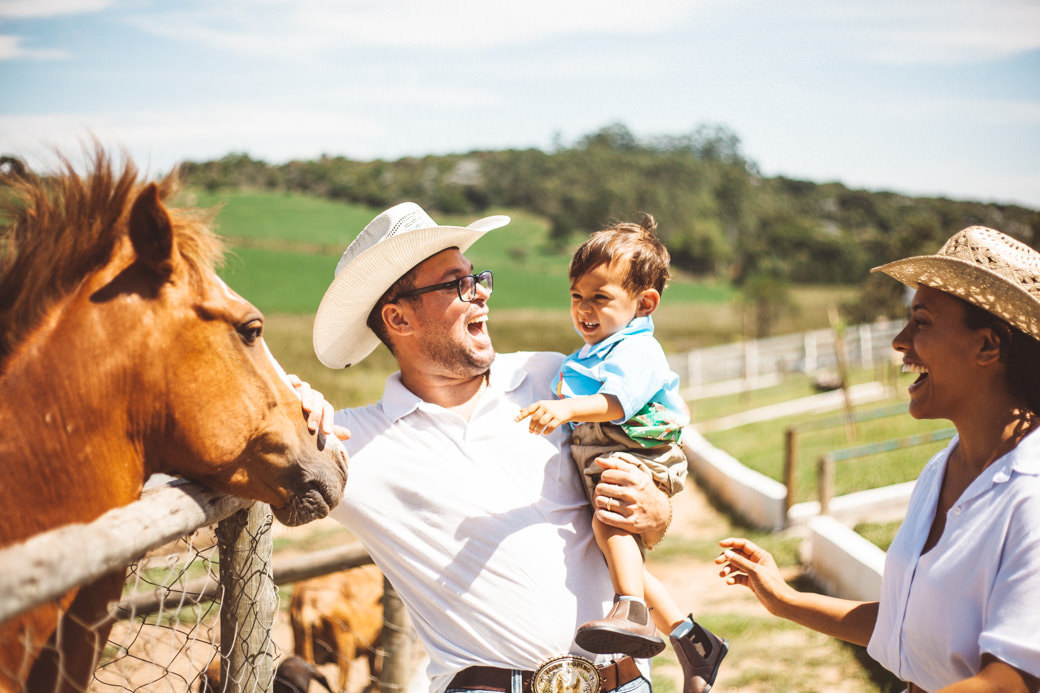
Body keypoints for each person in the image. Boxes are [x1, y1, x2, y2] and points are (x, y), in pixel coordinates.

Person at [299, 201, 704, 693]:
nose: (482, 296)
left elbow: (648, 460)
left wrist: (656, 510)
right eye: (458, 285)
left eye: (478, 278)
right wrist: (291, 407)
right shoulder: (350, 443)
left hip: (622, 685)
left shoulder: (556, 378)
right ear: (398, 319)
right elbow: (236, 449)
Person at [715, 226, 1040, 692]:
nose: (900, 341)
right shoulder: (939, 472)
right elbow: (907, 626)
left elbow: (1010, 681)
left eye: (921, 322)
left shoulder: (1031, 492)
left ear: (988, 346)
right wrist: (784, 599)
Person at [515, 215, 727, 690]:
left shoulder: (636, 350)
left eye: (600, 298)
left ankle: (631, 610)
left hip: (639, 454)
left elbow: (616, 404)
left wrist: (566, 408)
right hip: (611, 455)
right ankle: (693, 640)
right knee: (614, 548)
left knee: (607, 524)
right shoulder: (595, 350)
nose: (584, 309)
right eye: (576, 296)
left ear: (644, 303)